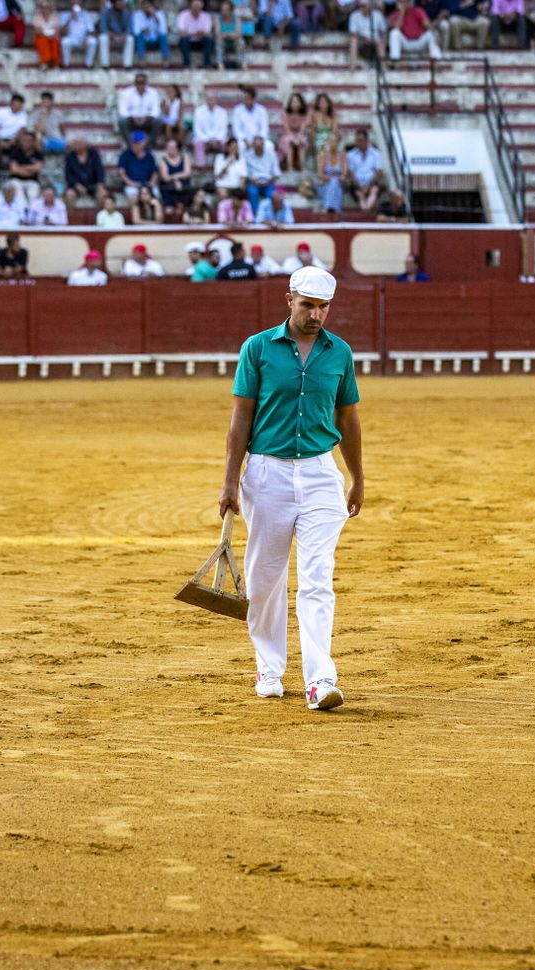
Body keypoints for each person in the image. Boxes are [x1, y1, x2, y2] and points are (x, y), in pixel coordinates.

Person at [218, 266, 362, 711]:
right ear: (289, 300)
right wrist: (229, 480)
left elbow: (347, 419)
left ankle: (320, 681)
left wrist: (357, 477)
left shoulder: (339, 353)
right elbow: (240, 419)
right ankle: (268, 666)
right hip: (267, 474)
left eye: (323, 307)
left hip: (321, 474)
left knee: (318, 578)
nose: (316, 315)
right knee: (265, 579)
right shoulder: (257, 348)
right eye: (308, 305)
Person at [117, 72, 163, 143]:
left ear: (146, 83)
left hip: (147, 119)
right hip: (132, 119)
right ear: (135, 83)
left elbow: (156, 110)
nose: (140, 85)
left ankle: (149, 145)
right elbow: (122, 110)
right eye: (138, 82)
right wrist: (133, 117)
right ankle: (131, 145)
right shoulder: (126, 93)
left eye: (142, 82)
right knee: (122, 121)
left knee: (158, 121)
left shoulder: (153, 93)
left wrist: (146, 117)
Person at [242, 134, 283, 213]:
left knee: (271, 195)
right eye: (255, 145)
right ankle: (256, 215)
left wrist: (269, 181)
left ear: (263, 144)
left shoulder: (272, 155)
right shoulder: (247, 156)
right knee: (252, 192)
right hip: (253, 182)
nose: (257, 147)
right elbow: (245, 173)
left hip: (268, 182)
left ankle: (268, 215)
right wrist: (252, 181)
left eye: (259, 145)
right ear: (253, 145)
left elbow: (277, 173)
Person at [63, 136, 107, 209]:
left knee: (103, 194)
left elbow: (100, 170)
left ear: (85, 145)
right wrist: (76, 185)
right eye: (75, 143)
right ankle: (72, 218)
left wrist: (100, 184)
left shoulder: (94, 154)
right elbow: (68, 175)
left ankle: (98, 218)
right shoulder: (70, 156)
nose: (76, 146)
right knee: (69, 195)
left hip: (93, 185)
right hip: (76, 186)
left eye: (78, 143)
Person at [346, 129, 384, 211]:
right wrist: (360, 186)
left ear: (366, 140)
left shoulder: (376, 153)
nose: (358, 142)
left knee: (374, 190)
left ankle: (366, 209)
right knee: (358, 193)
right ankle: (366, 209)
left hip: (371, 183)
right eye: (357, 140)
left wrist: (368, 186)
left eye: (361, 140)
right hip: (357, 184)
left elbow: (378, 172)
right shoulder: (351, 154)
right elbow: (351, 173)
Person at [193, 89, 230, 168]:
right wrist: (208, 139)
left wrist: (216, 139)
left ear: (216, 100)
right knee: (198, 143)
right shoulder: (198, 111)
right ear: (206, 100)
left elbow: (223, 129)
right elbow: (197, 129)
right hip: (204, 139)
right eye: (209, 99)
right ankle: (201, 166)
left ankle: (225, 165)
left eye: (212, 99)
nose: (211, 101)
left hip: (218, 139)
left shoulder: (222, 112)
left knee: (226, 142)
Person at [117, 130, 160, 196]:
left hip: (146, 184)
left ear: (144, 143)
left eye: (138, 143)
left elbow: (155, 172)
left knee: (156, 194)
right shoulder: (125, 155)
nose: (135, 145)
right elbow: (121, 172)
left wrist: (152, 182)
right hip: (132, 185)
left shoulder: (149, 156)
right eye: (134, 142)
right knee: (133, 195)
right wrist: (131, 183)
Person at [157, 136, 194, 210]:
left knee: (187, 193)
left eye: (172, 147)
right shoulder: (163, 160)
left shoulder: (184, 157)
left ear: (178, 148)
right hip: (168, 187)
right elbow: (165, 177)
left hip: (184, 186)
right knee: (169, 203)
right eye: (168, 147)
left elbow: (187, 172)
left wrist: (174, 177)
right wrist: (176, 180)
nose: (170, 149)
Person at [177, 0, 217, 66]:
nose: (196, 9)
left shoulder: (206, 16)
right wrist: (194, 33)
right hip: (189, 41)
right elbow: (181, 32)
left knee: (209, 40)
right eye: (194, 7)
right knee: (183, 40)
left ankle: (207, 63)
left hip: (201, 41)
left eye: (198, 7)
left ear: (201, 8)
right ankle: (186, 64)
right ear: (190, 7)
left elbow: (208, 33)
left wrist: (201, 33)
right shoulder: (183, 15)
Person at [60, 1, 99, 65]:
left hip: (83, 39)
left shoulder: (86, 14)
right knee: (64, 42)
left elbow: (92, 31)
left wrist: (85, 39)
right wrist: (70, 18)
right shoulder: (65, 14)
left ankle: (88, 64)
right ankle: (66, 64)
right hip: (71, 39)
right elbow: (62, 33)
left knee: (93, 41)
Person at [279, 93, 311, 172]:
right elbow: (287, 129)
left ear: (301, 103)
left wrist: (297, 138)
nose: (295, 103)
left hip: (300, 134)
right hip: (288, 134)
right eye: (293, 101)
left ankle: (302, 167)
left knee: (301, 142)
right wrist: (293, 138)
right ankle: (290, 167)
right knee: (289, 142)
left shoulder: (304, 113)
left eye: (297, 101)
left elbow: (302, 130)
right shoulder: (285, 112)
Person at [99, 0, 135, 66]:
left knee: (130, 39)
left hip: (122, 37)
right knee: (102, 38)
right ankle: (105, 64)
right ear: (113, 4)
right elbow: (103, 28)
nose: (120, 5)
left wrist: (122, 36)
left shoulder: (127, 13)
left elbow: (130, 29)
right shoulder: (106, 13)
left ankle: (127, 65)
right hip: (111, 38)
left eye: (121, 3)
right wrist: (113, 36)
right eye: (118, 3)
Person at [316, 140, 347, 213]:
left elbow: (344, 175)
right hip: (324, 183)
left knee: (335, 183)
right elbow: (320, 175)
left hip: (338, 183)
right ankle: (336, 210)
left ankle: (327, 208)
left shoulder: (343, 156)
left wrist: (334, 179)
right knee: (334, 183)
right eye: (331, 141)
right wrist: (333, 178)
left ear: (338, 143)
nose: (332, 143)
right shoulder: (323, 155)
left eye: (334, 141)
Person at [33, 0, 63, 66]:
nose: (44, 9)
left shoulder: (54, 17)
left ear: (49, 8)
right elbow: (37, 30)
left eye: (46, 7)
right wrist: (46, 35)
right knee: (43, 41)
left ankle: (55, 62)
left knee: (55, 41)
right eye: (42, 7)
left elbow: (57, 30)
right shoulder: (37, 17)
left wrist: (52, 35)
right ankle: (45, 61)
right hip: (41, 36)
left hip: (53, 36)